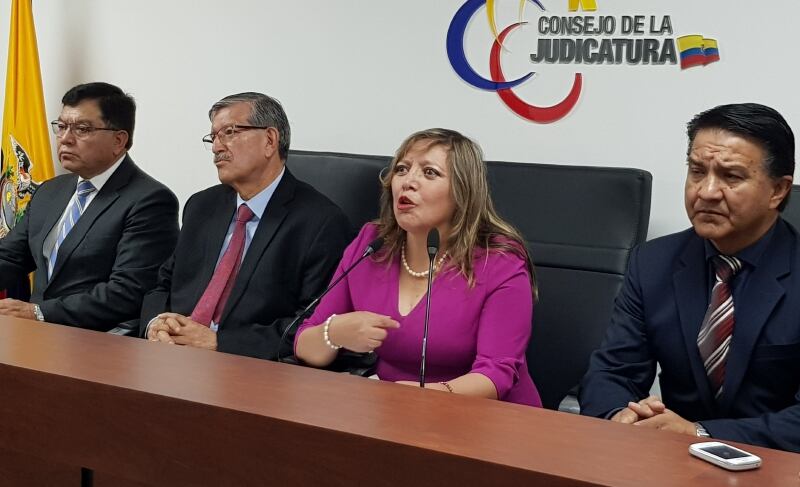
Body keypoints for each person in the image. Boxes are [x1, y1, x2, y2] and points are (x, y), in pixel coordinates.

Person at [580, 103, 800, 452]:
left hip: (777, 465)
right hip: (672, 462)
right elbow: (613, 371)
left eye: (731, 176)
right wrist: (622, 415)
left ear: (778, 190)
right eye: (697, 171)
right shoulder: (653, 262)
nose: (706, 191)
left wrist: (700, 432)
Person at [295, 128, 541, 406]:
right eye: (402, 169)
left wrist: (419, 397)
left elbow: (496, 374)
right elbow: (305, 344)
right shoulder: (372, 244)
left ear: (462, 192)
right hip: (394, 413)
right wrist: (335, 332)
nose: (408, 182)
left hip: (489, 418)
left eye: (430, 173)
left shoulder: (498, 261)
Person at [141, 92, 351, 360]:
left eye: (229, 132)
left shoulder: (320, 222)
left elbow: (313, 324)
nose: (217, 147)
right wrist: (156, 323)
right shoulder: (202, 206)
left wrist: (219, 342)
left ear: (270, 140)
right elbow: (162, 284)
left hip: (244, 365)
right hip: (169, 355)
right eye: (213, 137)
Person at [0, 82, 179, 330]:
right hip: (35, 335)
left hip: (99, 340)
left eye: (82, 129)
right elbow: (10, 257)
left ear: (119, 140)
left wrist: (39, 312)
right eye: (61, 127)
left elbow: (128, 292)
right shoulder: (50, 191)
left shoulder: (150, 201)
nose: (65, 139)